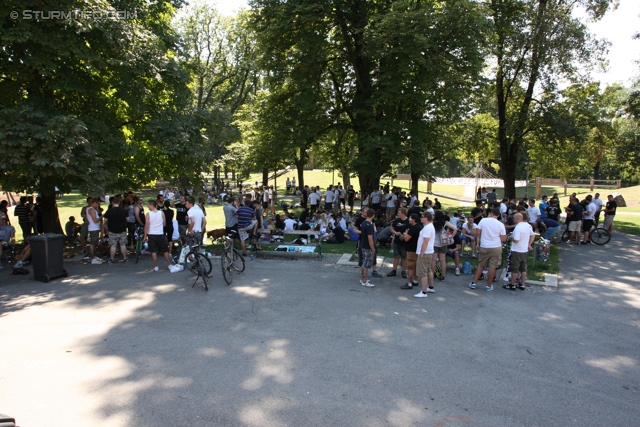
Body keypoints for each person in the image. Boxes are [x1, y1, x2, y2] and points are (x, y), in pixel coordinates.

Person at [468, 208, 506, 291]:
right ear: (498, 215)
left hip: (485, 245)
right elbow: (503, 239)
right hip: (496, 247)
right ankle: (488, 285)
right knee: (493, 266)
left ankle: (474, 282)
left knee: (481, 264)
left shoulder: (483, 220)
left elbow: (477, 233)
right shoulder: (500, 224)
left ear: (490, 213)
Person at [504, 213, 535, 290]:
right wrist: (529, 244)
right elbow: (533, 235)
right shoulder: (528, 225)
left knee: (515, 268)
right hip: (524, 250)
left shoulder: (518, 228)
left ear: (518, 219)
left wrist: (511, 238)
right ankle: (522, 284)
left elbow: (516, 240)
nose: (513, 220)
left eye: (514, 218)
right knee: (523, 268)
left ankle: (512, 284)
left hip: (516, 250)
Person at [144, 200, 173, 272]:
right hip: (160, 233)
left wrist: (145, 235)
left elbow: (146, 226)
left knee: (153, 251)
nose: (147, 206)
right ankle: (169, 265)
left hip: (151, 234)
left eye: (148, 205)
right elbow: (164, 224)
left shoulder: (148, 214)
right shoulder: (162, 213)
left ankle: (156, 266)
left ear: (151, 205)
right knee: (165, 250)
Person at [414, 211, 436, 298]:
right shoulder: (430, 226)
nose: (421, 218)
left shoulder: (427, 228)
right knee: (428, 269)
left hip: (425, 252)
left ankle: (423, 292)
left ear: (426, 218)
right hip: (429, 252)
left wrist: (422, 253)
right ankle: (431, 286)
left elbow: (425, 242)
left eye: (422, 217)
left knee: (423, 272)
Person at [431, 211, 458, 282]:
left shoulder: (433, 223)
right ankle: (443, 275)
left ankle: (432, 275)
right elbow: (455, 229)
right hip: (443, 243)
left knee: (434, 260)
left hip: (434, 243)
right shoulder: (445, 222)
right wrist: (451, 237)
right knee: (443, 260)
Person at [102, 196, 129, 264]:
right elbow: (128, 219)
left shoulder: (109, 211)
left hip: (112, 230)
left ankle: (112, 259)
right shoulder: (123, 210)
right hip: (122, 230)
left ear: (112, 203)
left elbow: (105, 220)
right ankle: (125, 258)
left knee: (113, 245)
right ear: (119, 203)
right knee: (123, 245)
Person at [400, 213, 423, 290]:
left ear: (414, 220)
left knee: (410, 267)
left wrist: (405, 234)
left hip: (411, 250)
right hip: (418, 250)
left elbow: (406, 238)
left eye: (410, 218)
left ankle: (409, 283)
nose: (409, 219)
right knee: (416, 266)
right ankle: (415, 281)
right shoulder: (420, 227)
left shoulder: (414, 228)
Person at [387, 208, 409, 278]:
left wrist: (404, 235)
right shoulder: (396, 220)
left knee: (404, 257)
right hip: (396, 241)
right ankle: (394, 270)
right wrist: (395, 232)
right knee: (396, 256)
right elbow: (391, 228)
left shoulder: (408, 221)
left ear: (403, 213)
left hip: (404, 243)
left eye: (399, 213)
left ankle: (404, 271)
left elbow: (409, 230)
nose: (397, 214)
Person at [359, 209, 376, 287]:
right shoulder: (369, 225)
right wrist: (372, 248)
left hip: (363, 245)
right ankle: (364, 280)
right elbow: (370, 238)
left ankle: (362, 278)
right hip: (368, 246)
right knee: (366, 264)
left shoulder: (364, 223)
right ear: (373, 215)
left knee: (363, 263)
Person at [85, 198, 104, 264]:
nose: (98, 205)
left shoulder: (92, 209)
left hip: (95, 228)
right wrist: (102, 216)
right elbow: (95, 220)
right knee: (92, 244)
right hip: (93, 228)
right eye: (98, 204)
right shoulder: (91, 210)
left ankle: (94, 256)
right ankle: (92, 258)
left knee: (95, 242)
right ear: (95, 203)